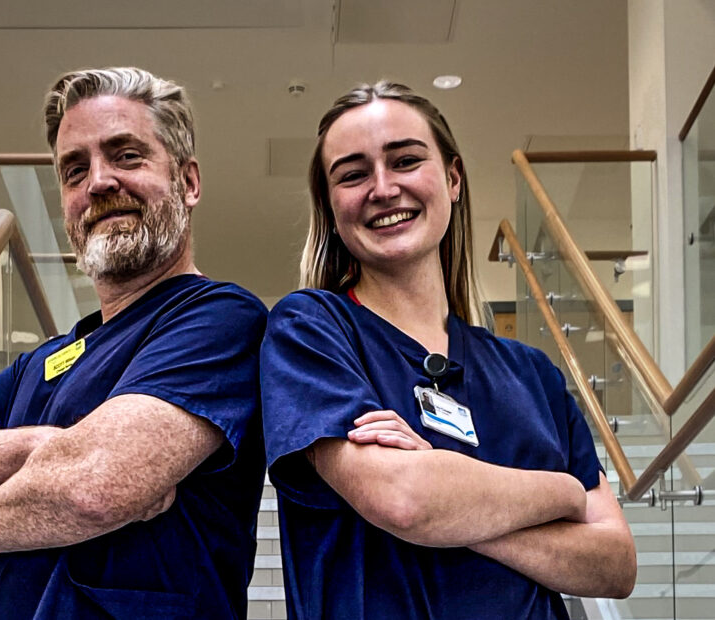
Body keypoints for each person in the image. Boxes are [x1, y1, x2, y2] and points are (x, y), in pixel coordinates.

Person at [0, 67, 268, 619]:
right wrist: (62, 447)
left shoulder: (219, 318)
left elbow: (95, 489)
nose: (99, 182)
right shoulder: (41, 362)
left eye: (127, 156)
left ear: (188, 181)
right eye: (74, 170)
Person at [260, 81, 636, 619]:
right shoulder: (310, 331)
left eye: (406, 160)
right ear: (331, 205)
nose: (384, 188)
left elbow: (615, 565)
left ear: (453, 178)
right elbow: (407, 502)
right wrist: (565, 495)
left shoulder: (533, 374)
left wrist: (451, 493)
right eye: (353, 174)